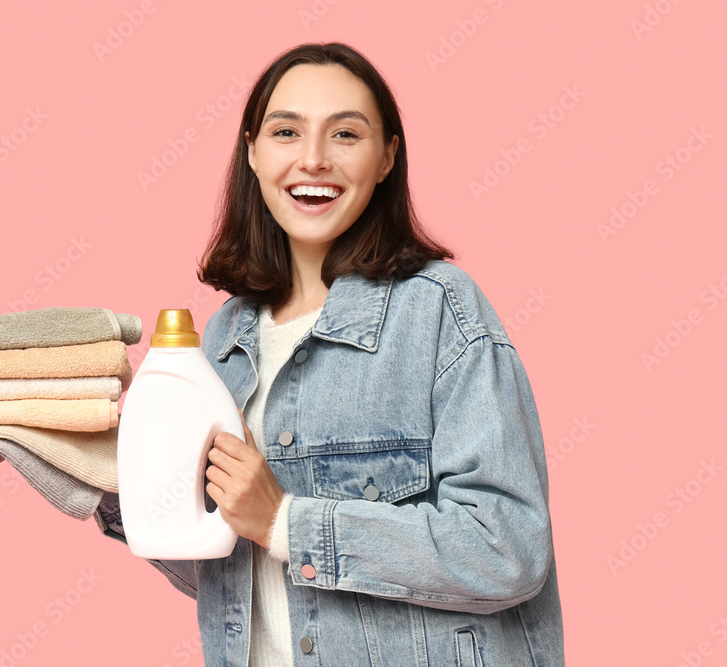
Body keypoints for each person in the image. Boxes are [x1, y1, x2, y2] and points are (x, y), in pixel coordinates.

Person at [95, 42, 565, 666]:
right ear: (254, 153)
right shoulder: (224, 342)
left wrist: (287, 522)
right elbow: (221, 574)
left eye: (346, 133)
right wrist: (81, 471)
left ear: (386, 157)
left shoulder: (439, 313)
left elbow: (507, 547)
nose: (312, 159)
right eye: (286, 131)